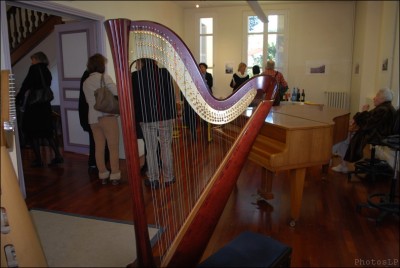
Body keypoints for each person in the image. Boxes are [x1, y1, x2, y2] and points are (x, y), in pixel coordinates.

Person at [132, 58, 177, 189]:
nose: (136, 67)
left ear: (142, 63)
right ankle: (169, 178)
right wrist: (173, 115)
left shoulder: (136, 76)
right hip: (165, 117)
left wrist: (138, 119)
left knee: (150, 150)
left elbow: (135, 100)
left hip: (146, 119)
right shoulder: (164, 73)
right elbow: (171, 95)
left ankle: (153, 179)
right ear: (155, 63)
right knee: (166, 147)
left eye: (138, 64)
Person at [15, 51, 63, 167]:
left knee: (32, 131)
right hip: (45, 105)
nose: (32, 62)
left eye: (33, 59)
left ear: (37, 59)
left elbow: (26, 84)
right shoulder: (46, 70)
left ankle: (38, 159)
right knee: (47, 132)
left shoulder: (34, 69)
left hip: (34, 105)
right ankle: (57, 155)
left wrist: (18, 99)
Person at [332, 88, 396, 173]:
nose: (374, 98)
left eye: (376, 96)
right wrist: (356, 118)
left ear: (382, 99)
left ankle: (337, 160)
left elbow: (366, 125)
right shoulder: (385, 107)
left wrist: (364, 111)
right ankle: (339, 161)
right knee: (345, 136)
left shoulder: (383, 109)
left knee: (344, 136)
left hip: (376, 135)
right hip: (377, 133)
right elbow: (369, 119)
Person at [83, 53, 121, 185]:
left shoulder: (86, 81)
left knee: (99, 147)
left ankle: (103, 174)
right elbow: (117, 92)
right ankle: (115, 175)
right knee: (113, 147)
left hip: (93, 119)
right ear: (101, 65)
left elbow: (88, 100)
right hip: (107, 117)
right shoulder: (105, 77)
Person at [78, 69, 109, 174]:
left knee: (95, 142)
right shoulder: (97, 78)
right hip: (97, 115)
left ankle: (94, 164)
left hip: (89, 115)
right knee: (100, 142)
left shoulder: (86, 78)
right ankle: (99, 165)